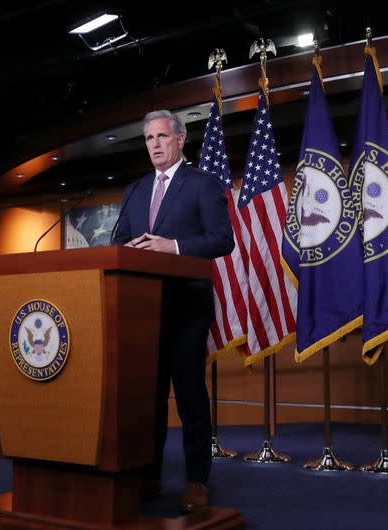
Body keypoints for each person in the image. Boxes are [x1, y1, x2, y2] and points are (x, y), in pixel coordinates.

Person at [112, 110, 234, 513]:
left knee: (189, 398)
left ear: (180, 140)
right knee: (147, 399)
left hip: (186, 309)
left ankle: (197, 480)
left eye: (162, 137)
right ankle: (148, 475)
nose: (155, 145)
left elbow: (222, 240)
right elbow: (119, 243)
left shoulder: (203, 184)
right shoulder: (135, 190)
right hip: (141, 312)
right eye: (149, 139)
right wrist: (126, 250)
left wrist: (174, 246)